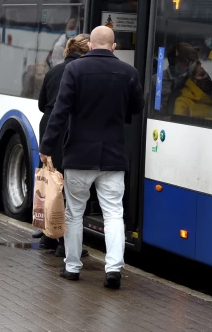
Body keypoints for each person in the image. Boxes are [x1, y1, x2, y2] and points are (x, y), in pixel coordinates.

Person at [39, 26, 144, 289]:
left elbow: (60, 112)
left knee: (75, 213)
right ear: (114, 46)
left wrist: (48, 146)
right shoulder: (128, 73)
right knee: (113, 214)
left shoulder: (74, 70)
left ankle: (72, 267)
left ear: (91, 45)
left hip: (79, 155)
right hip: (113, 157)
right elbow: (137, 107)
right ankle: (114, 269)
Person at [36, 34, 90, 258]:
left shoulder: (54, 71)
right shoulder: (83, 73)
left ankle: (49, 237)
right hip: (69, 130)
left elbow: (41, 104)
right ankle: (63, 244)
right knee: (69, 189)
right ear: (86, 52)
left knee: (52, 185)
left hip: (48, 128)